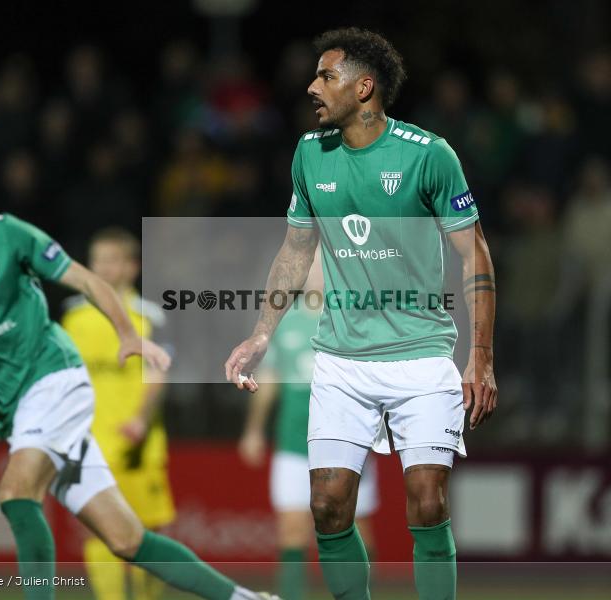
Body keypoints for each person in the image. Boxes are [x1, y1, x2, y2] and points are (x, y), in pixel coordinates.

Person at [0, 157, 279, 600]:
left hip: (55, 378)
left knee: (15, 493)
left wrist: (127, 334)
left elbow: (85, 280)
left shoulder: (4, 233)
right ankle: (248, 599)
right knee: (127, 539)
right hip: (14, 409)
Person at [225, 28, 497, 600]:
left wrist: (481, 357)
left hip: (421, 357)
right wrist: (261, 333)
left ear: (364, 86)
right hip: (341, 361)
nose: (311, 87)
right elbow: (297, 250)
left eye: (326, 76)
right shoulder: (309, 153)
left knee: (427, 501)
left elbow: (475, 255)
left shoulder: (428, 155)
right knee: (325, 506)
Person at [238, 251, 378, 600]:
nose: (317, 271)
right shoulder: (282, 321)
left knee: (356, 529)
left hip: (348, 441)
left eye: (324, 262)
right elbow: (268, 379)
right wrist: (254, 430)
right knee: (291, 531)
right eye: (311, 263)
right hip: (293, 441)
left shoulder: (358, 320)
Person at [61, 227, 175, 600]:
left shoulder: (149, 316)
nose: (103, 268)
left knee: (149, 532)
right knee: (98, 531)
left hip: (138, 443)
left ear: (132, 267)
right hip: (91, 444)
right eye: (97, 261)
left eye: (112, 260)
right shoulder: (72, 318)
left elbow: (158, 374)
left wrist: (141, 418)